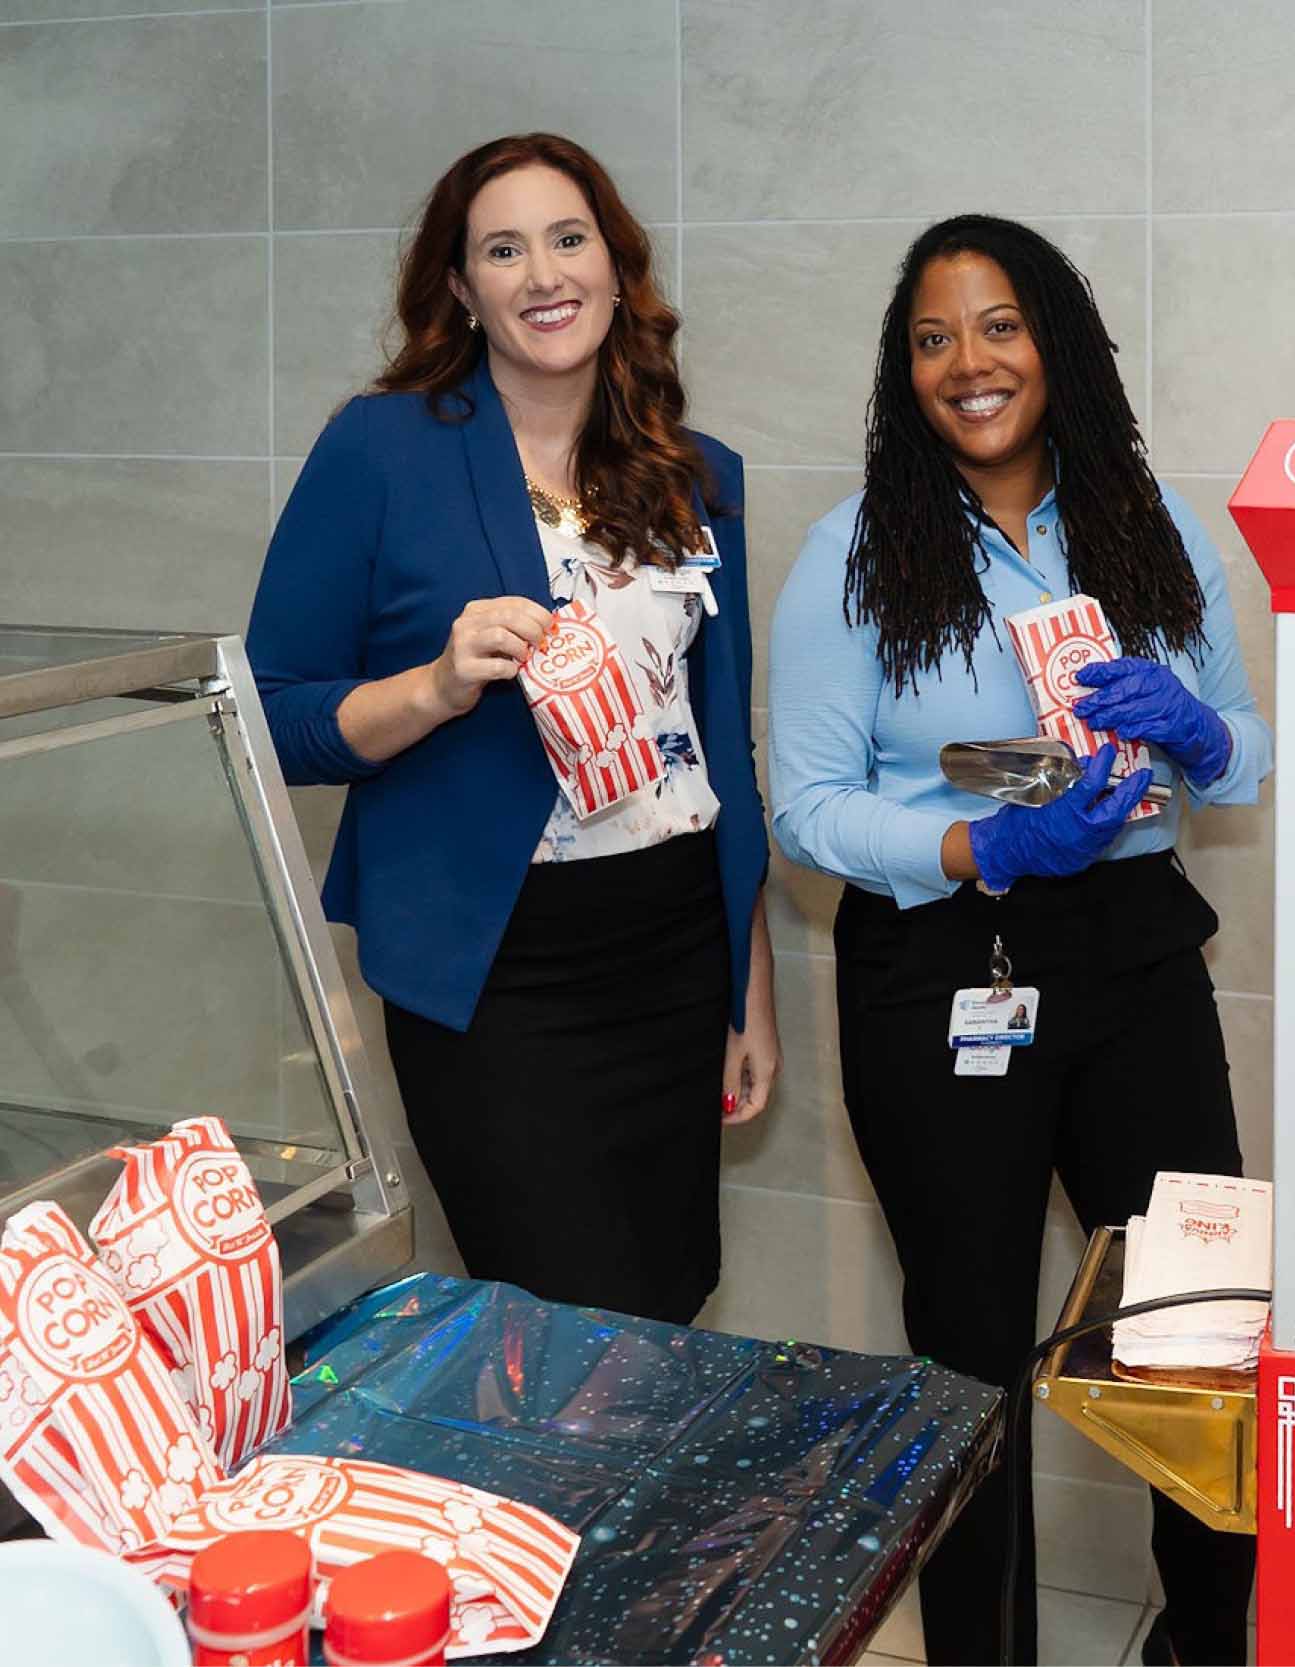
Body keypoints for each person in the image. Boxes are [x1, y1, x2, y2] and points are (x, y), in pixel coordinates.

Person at [768, 215, 1270, 1666]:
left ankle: (1207, 1635)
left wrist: (1193, 730)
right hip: (944, 964)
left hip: (1131, 948)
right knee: (971, 1353)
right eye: (931, 338)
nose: (967, 363)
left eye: (997, 326)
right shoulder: (852, 554)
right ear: (899, 370)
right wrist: (974, 843)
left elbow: (1240, 748)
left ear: (1054, 340)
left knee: (1194, 1319)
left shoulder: (1151, 525)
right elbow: (804, 806)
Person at [249, 133, 778, 1327]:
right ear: (460, 287)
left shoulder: (697, 475)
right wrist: (435, 684)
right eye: (502, 248)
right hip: (496, 978)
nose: (542, 273)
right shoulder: (382, 449)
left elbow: (718, 755)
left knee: (662, 1308)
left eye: (567, 238)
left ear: (614, 264)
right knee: (562, 1326)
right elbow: (273, 718)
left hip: (673, 948)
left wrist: (749, 991)